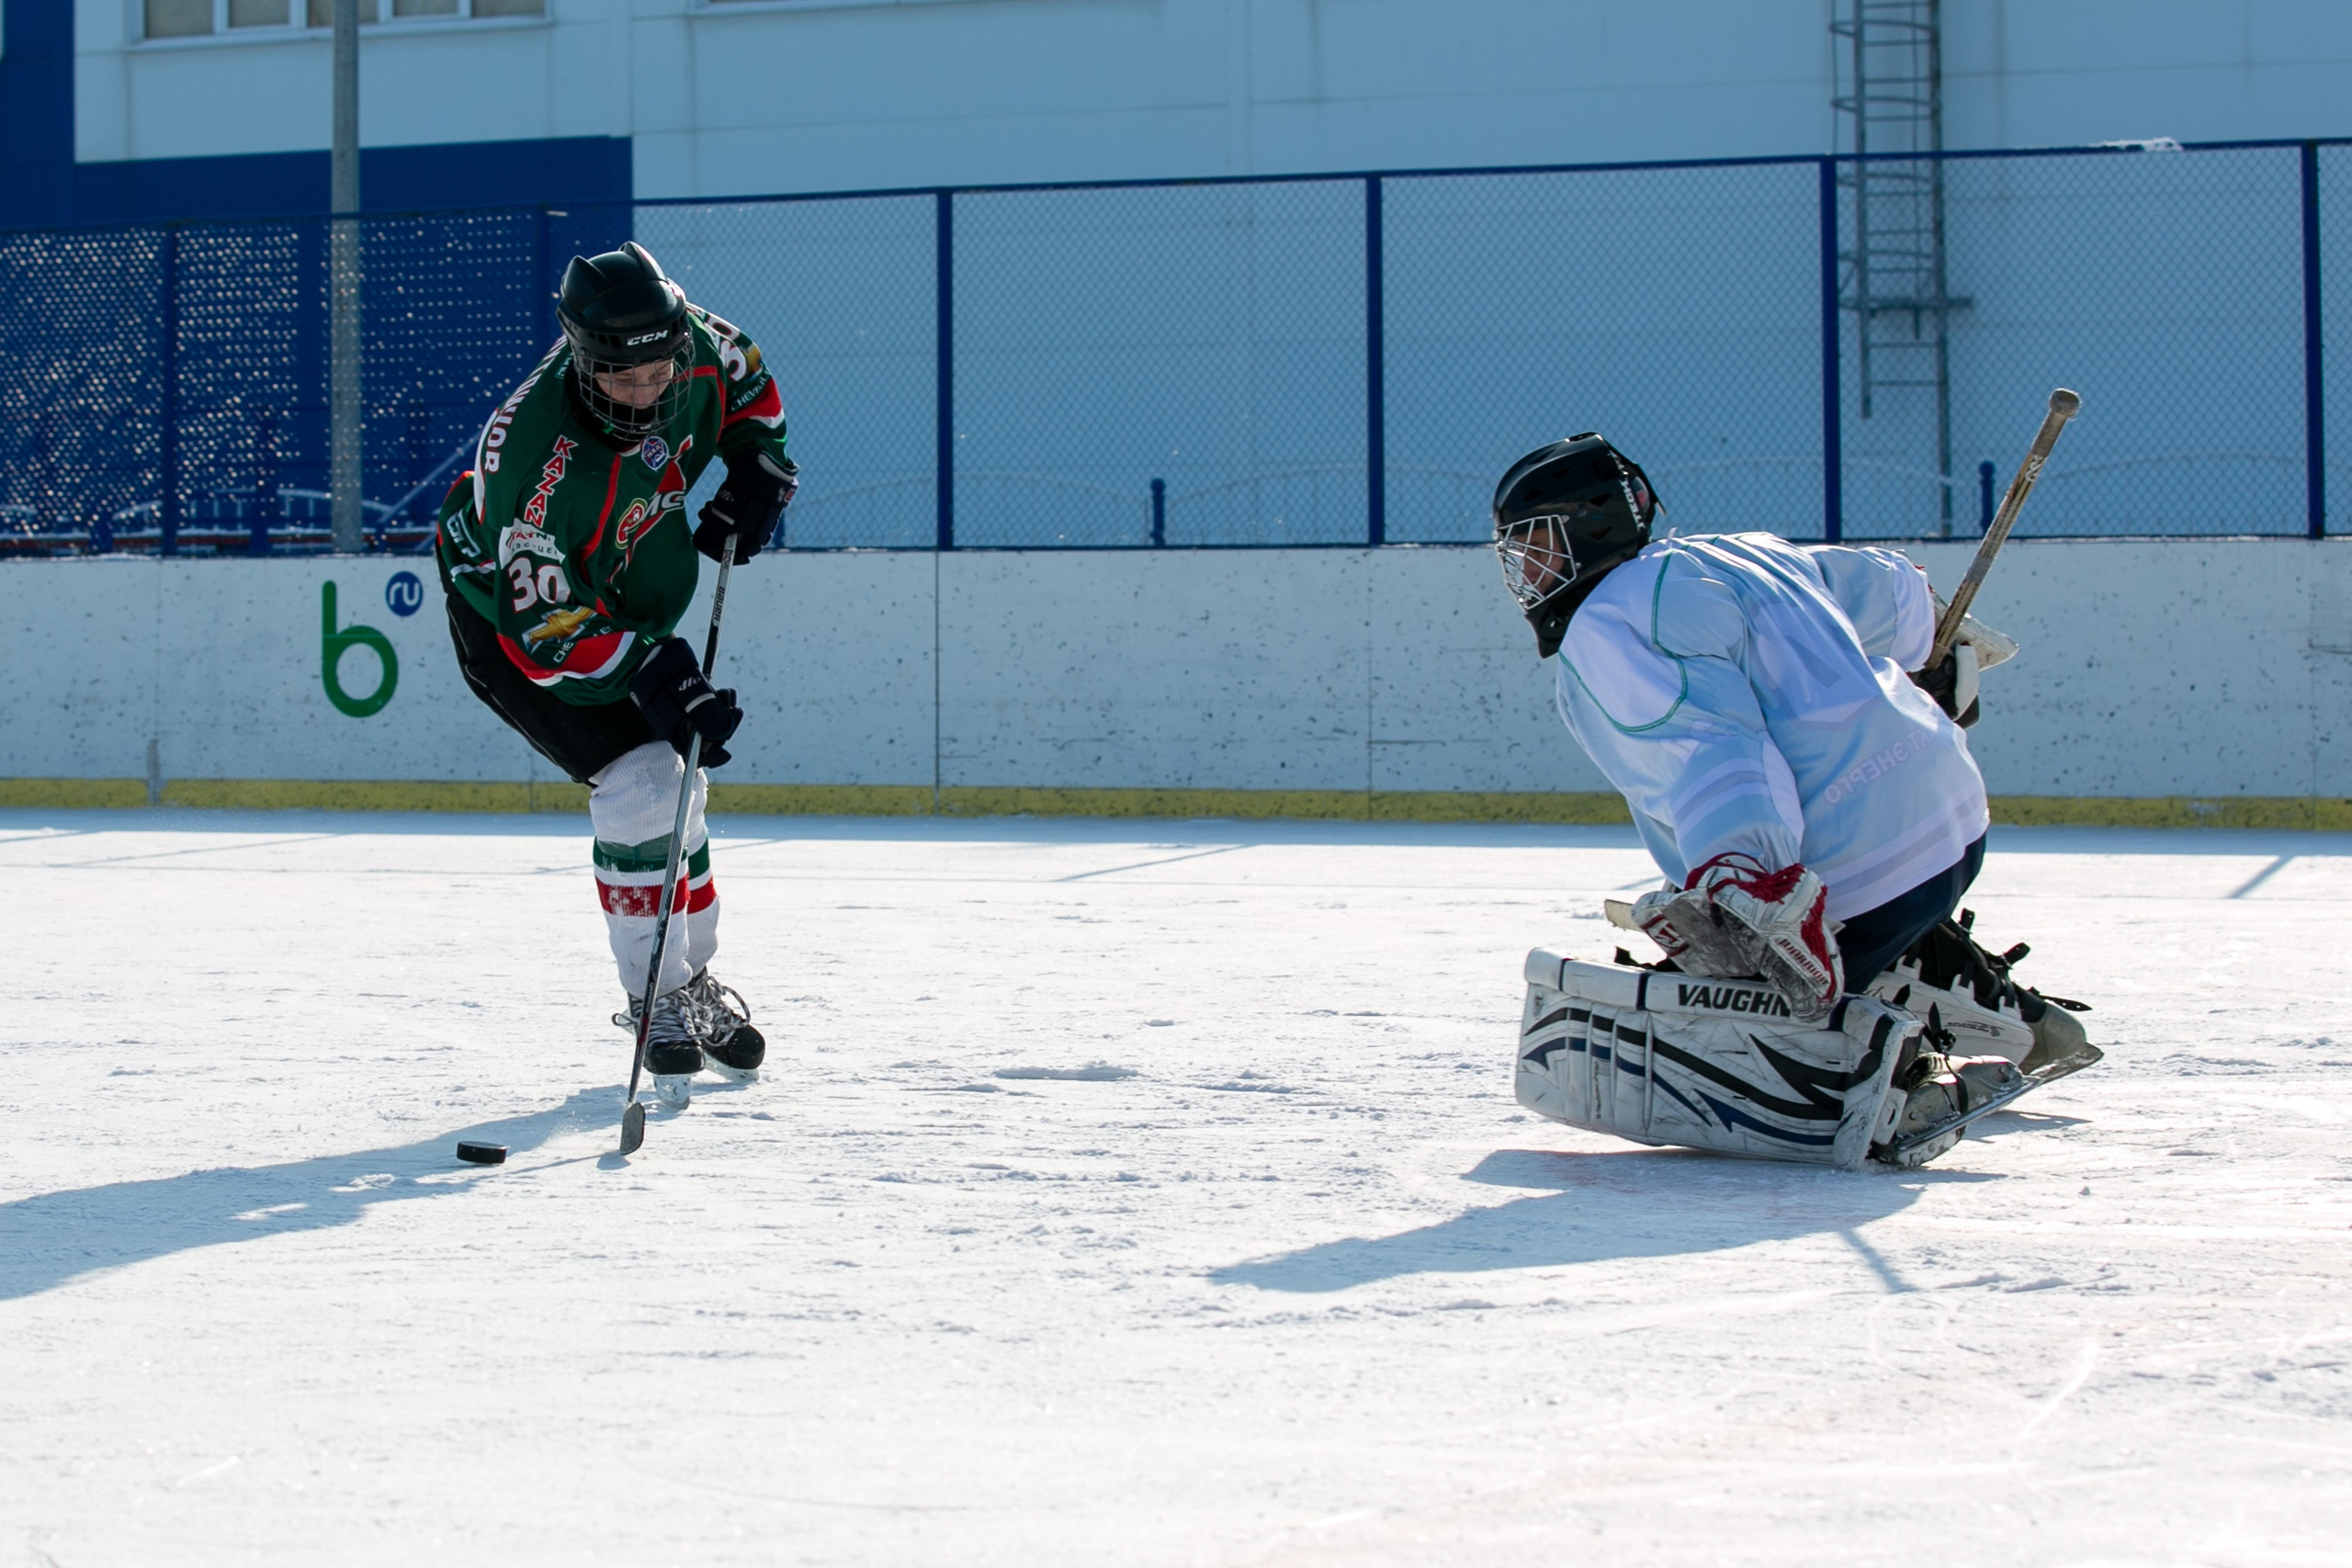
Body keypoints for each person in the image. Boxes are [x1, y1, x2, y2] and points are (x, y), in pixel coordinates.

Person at [1493, 434, 2097, 1165]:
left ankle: (1909, 1071)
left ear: (1593, 524)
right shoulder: (1741, 553)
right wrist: (1943, 640)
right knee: (1852, 892)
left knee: (1773, 981)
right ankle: (1973, 990)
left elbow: (1714, 749)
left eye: (1536, 543)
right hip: (1952, 825)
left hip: (1855, 864)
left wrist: (1748, 884)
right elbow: (1886, 587)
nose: (1525, 569)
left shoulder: (1608, 624)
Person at [435, 242, 799, 1109]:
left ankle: (692, 984)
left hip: (625, 584)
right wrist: (653, 670)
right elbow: (542, 628)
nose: (646, 394)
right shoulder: (532, 455)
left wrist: (757, 468)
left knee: (683, 783)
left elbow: (751, 388)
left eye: (658, 375)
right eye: (621, 381)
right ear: (578, 357)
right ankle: (655, 1001)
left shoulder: (697, 344)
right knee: (642, 783)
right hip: (515, 621)